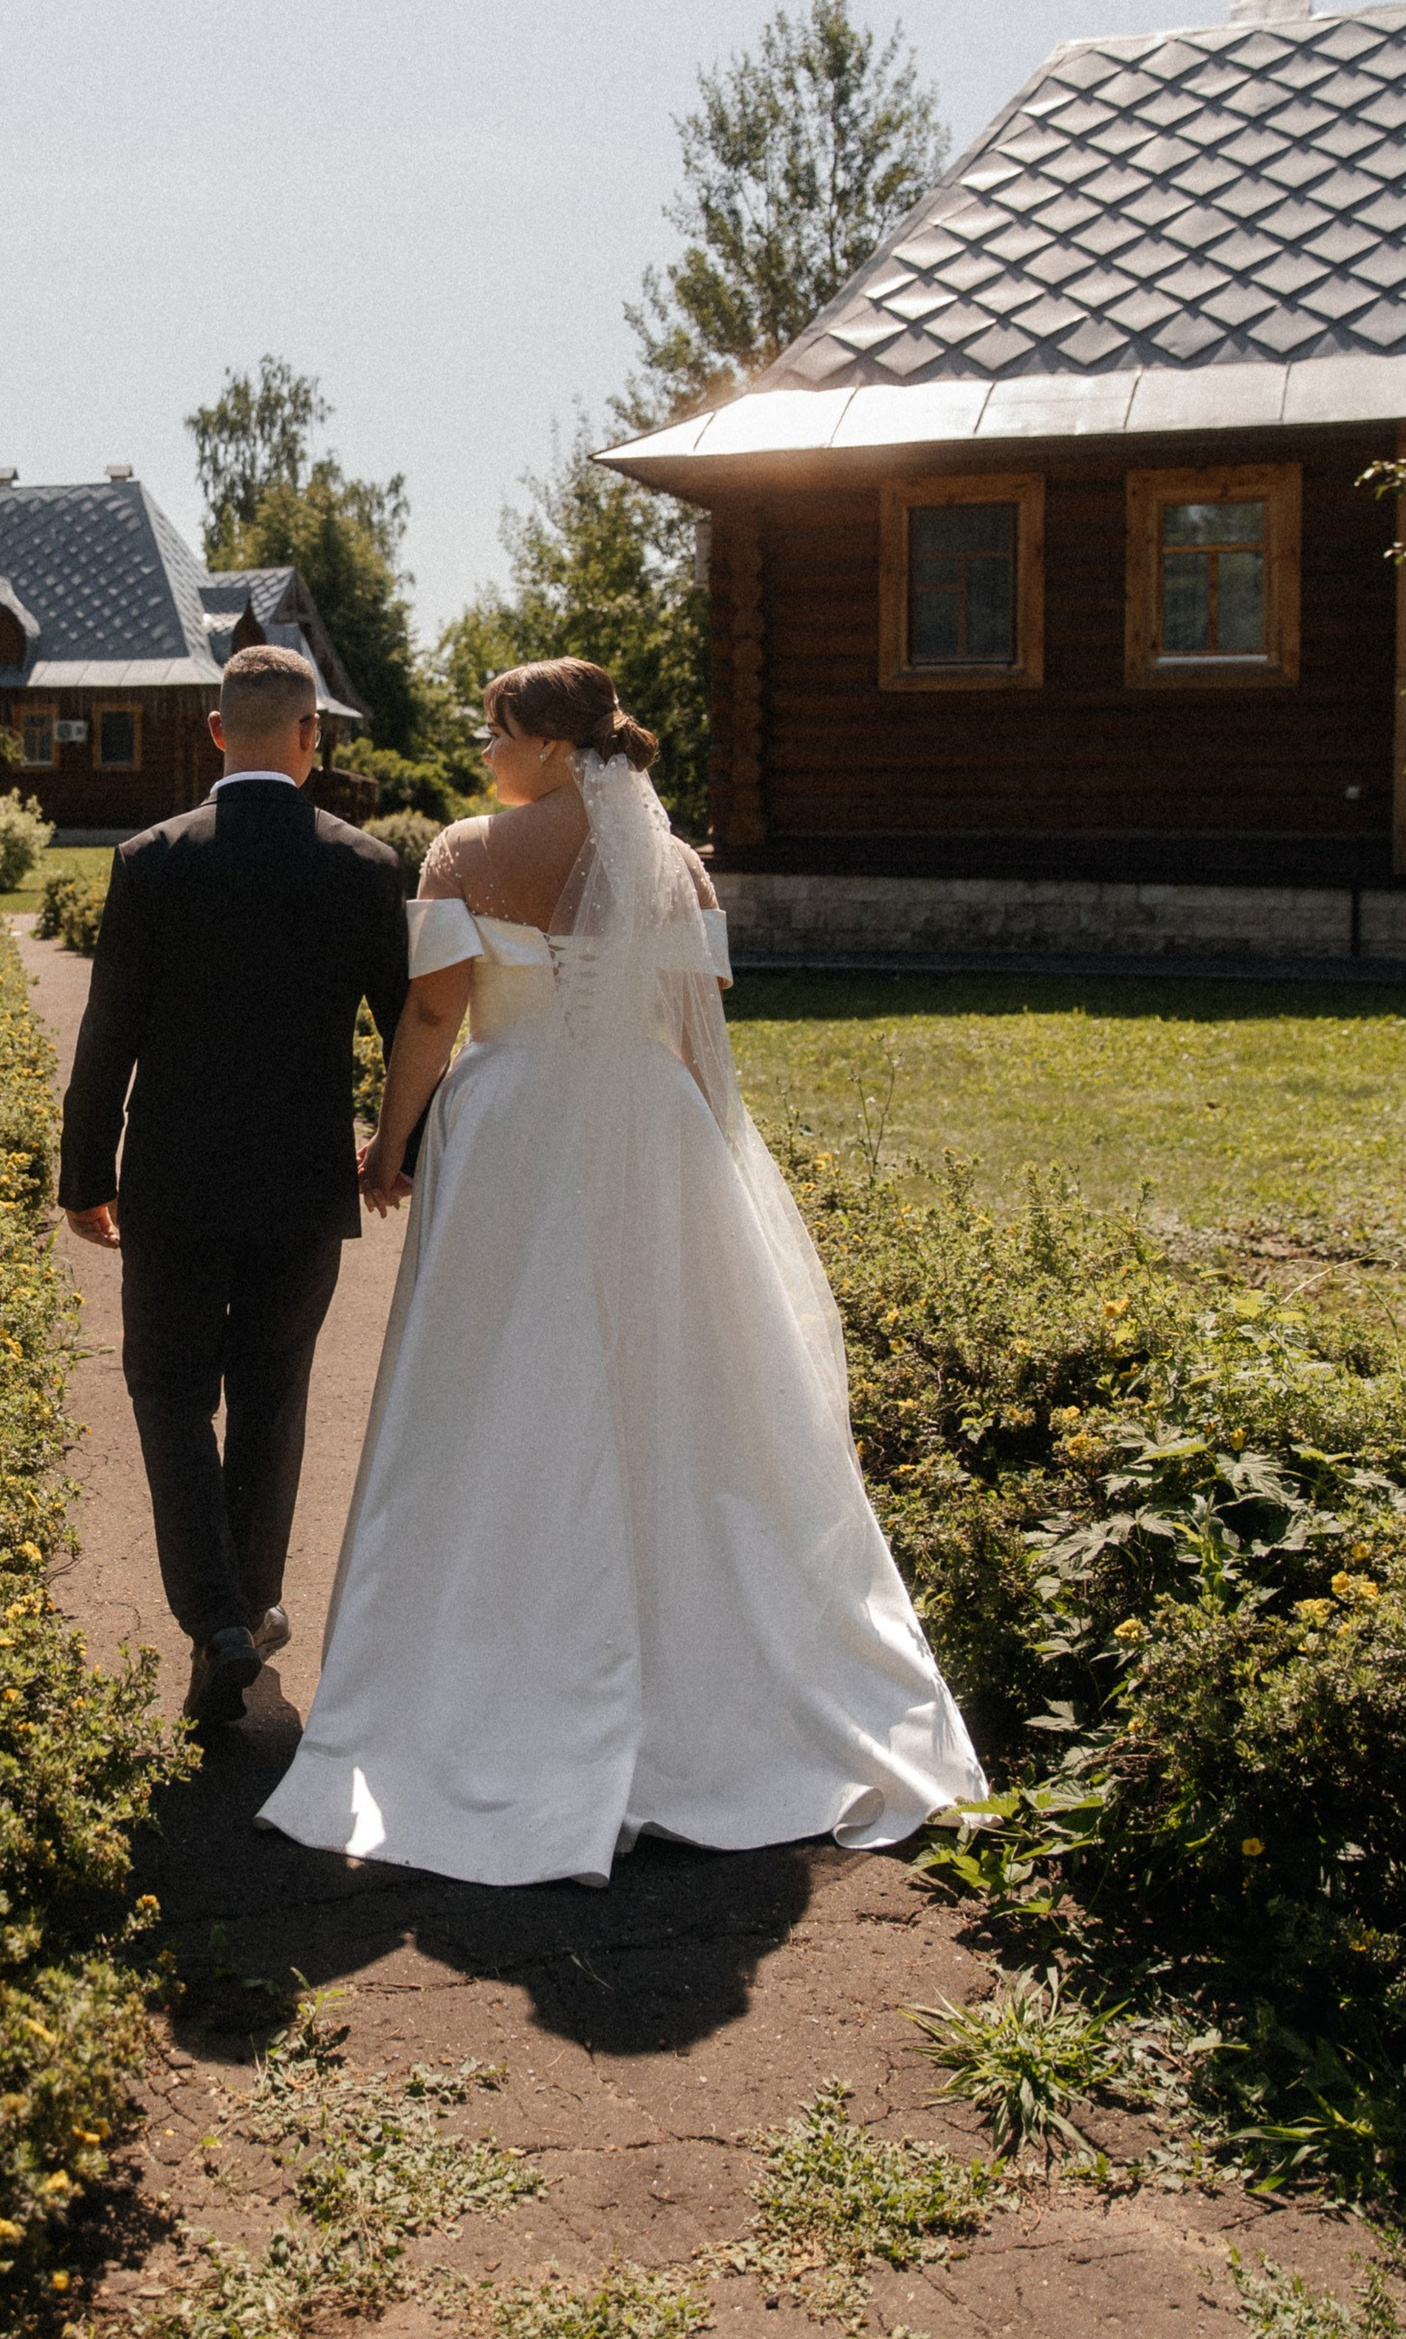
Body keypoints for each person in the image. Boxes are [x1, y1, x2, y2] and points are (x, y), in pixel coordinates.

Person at [257, 656, 981, 1884]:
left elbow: (431, 1016)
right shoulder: (675, 861)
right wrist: (711, 1159)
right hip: (652, 1123)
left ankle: (490, 1654)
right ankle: (710, 1663)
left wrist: (388, 1143)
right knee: (673, 1385)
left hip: (512, 1129)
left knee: (496, 1379)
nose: (485, 753)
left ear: (546, 744)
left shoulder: (465, 851)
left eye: (495, 732)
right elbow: (697, 1031)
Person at [60, 644, 411, 1729]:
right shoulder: (364, 865)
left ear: (217, 732)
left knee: (168, 1392)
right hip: (302, 1184)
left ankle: (216, 1622)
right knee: (271, 1395)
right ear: (313, 737)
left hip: (172, 1179)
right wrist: (395, 1150)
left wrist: (84, 1174)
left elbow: (108, 1033)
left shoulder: (151, 859)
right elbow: (409, 1031)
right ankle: (247, 1612)